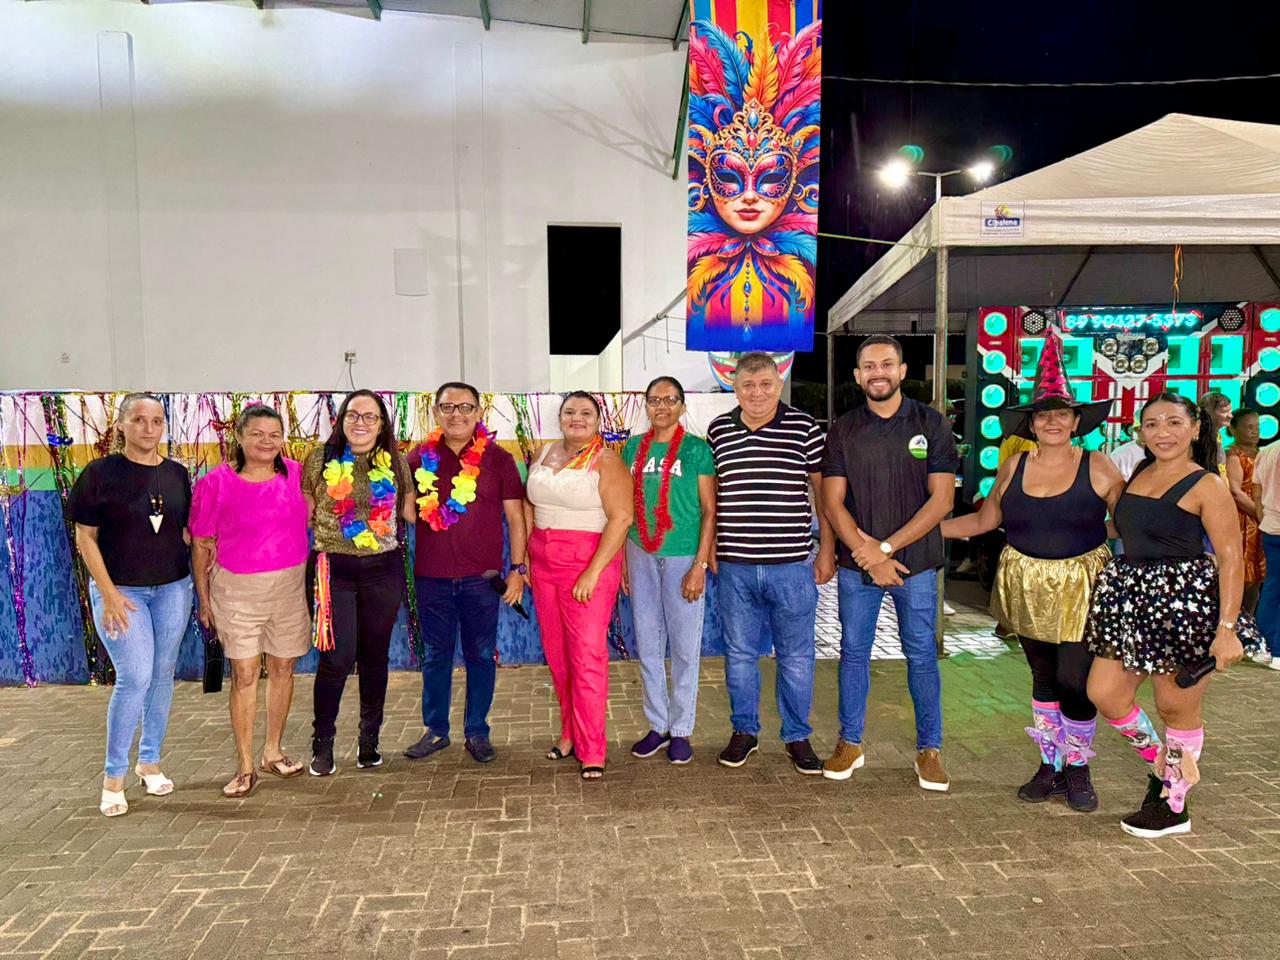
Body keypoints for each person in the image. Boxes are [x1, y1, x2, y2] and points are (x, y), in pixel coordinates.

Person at [942, 330, 1122, 811]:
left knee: (1074, 680)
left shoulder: (1099, 465)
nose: (1052, 422)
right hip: (1026, 582)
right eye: (1043, 415)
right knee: (1042, 677)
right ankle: (1049, 765)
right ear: (1032, 423)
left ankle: (1078, 767)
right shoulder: (1014, 465)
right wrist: (923, 531)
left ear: (1076, 420)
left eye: (1061, 414)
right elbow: (985, 521)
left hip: (1083, 585)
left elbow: (1129, 523)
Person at [1086, 392, 1261, 837]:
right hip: (1131, 600)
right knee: (1105, 693)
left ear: (1196, 429)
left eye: (1174, 422)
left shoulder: (1207, 484)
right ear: (1140, 431)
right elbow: (1130, 527)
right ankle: (1163, 764)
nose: (1162, 432)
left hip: (1183, 606)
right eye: (1152, 424)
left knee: (1175, 705)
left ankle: (1174, 803)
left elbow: (1231, 559)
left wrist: (1226, 630)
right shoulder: (1140, 472)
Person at [820, 336, 958, 791]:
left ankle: (930, 749)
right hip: (857, 565)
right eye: (868, 366)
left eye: (886, 364)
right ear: (857, 375)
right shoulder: (843, 429)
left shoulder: (931, 423)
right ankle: (850, 743)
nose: (877, 372)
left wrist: (885, 549)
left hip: (915, 565)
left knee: (921, 655)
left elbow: (942, 500)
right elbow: (832, 501)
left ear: (902, 371)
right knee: (853, 653)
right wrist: (867, 554)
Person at [706, 352, 836, 775]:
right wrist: (710, 548)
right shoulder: (718, 431)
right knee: (739, 655)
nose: (757, 393)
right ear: (734, 387)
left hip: (791, 566)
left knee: (796, 656)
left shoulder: (804, 428)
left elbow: (823, 495)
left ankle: (797, 736)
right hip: (735, 567)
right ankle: (744, 731)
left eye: (765, 384)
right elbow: (713, 498)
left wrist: (827, 549)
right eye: (748, 385)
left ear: (779, 384)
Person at [68, 393, 194, 817]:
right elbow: (86, 538)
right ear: (121, 424)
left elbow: (183, 532)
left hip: (173, 589)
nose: (148, 428)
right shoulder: (99, 474)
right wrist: (108, 594)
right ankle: (113, 776)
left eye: (156, 420)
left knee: (161, 674)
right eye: (138, 419)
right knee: (135, 676)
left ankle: (150, 761)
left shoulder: (176, 474)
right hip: (122, 593)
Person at [190, 404, 312, 798]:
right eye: (256, 433)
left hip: (289, 587)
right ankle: (244, 765)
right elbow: (201, 544)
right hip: (236, 591)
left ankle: (272, 752)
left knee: (283, 668)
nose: (266, 441)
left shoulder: (297, 474)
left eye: (274, 435)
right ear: (239, 437)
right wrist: (204, 600)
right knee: (244, 674)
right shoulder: (215, 483)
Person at [403, 382, 527, 765]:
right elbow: (410, 514)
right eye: (448, 407)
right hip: (432, 577)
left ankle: (477, 731)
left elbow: (516, 518)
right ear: (436, 412)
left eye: (465, 407)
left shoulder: (498, 459)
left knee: (480, 656)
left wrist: (518, 569)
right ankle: (436, 730)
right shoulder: (417, 458)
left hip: (482, 579)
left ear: (478, 412)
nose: (456, 414)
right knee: (435, 657)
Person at [303, 390, 414, 777]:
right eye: (353, 415)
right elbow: (302, 508)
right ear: (340, 419)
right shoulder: (319, 459)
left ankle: (370, 740)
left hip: (383, 568)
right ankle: (323, 741)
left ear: (382, 424)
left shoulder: (395, 461)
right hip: (333, 568)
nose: (361, 423)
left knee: (374, 657)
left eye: (370, 416)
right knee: (337, 658)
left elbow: (412, 513)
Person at [525, 392, 633, 780]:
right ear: (560, 418)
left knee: (586, 656)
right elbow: (529, 505)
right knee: (558, 655)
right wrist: (526, 558)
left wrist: (592, 571)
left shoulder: (607, 460)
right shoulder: (542, 453)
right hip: (543, 563)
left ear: (598, 420)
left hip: (588, 563)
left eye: (586, 412)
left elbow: (622, 518)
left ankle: (593, 748)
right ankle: (569, 734)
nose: (577, 418)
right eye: (570, 411)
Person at [621, 376, 716, 765]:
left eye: (670, 400)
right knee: (647, 644)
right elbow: (622, 507)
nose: (661, 407)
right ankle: (657, 726)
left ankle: (681, 730)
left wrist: (700, 565)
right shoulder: (631, 448)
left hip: (683, 556)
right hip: (639, 552)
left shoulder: (696, 450)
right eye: (654, 400)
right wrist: (624, 562)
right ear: (646, 406)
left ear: (682, 406)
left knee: (684, 648)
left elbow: (709, 510)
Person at [1225, 408, 1264, 615]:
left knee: (1258, 573)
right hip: (1244, 519)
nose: (1254, 431)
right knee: (1244, 572)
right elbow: (1236, 492)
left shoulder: (1263, 453)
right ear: (1233, 429)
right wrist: (1261, 515)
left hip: (1263, 517)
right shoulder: (1233, 455)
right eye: (1249, 427)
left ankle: (1250, 619)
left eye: (1257, 427)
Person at [1251, 433, 1280, 670]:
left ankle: (1265, 647)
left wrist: (1263, 520)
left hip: (1270, 527)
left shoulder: (1267, 451)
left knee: (1271, 587)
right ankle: (1277, 650)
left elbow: (1257, 492)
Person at [1197, 390, 1233, 476]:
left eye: (1230, 411)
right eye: (1224, 412)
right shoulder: (1199, 437)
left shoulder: (1217, 435)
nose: (1230, 416)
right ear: (1209, 412)